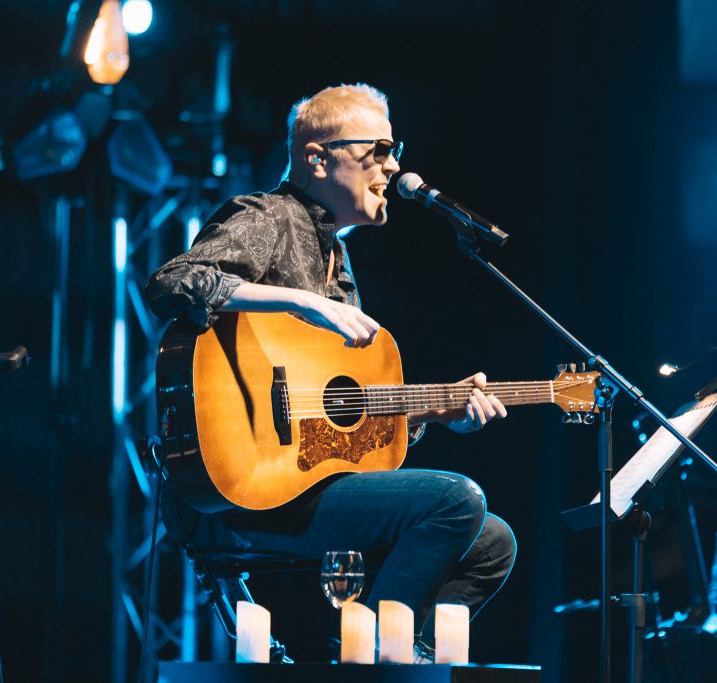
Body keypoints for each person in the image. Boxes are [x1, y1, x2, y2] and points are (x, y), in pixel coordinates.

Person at [144, 83, 516, 661]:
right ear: (318, 159)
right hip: (235, 494)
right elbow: (172, 283)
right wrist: (300, 302)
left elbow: (339, 423)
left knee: (492, 541)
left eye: (395, 151)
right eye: (379, 151)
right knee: (456, 499)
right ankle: (382, 658)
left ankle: (396, 649)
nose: (393, 167)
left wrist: (432, 413)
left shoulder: (337, 260)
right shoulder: (268, 216)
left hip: (300, 485)